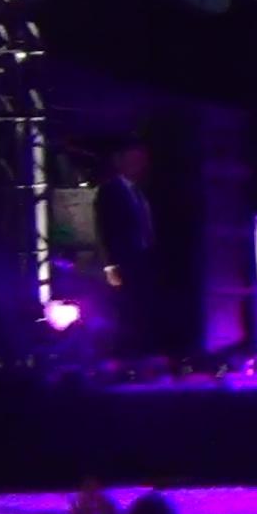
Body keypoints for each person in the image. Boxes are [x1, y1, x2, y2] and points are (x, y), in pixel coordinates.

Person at [96, 139, 159, 360]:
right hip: (123, 261)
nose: (138, 165)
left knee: (143, 308)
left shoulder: (138, 191)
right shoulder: (110, 190)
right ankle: (124, 356)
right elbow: (105, 228)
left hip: (142, 259)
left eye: (141, 160)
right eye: (133, 159)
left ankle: (141, 354)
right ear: (120, 161)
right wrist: (110, 265)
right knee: (126, 309)